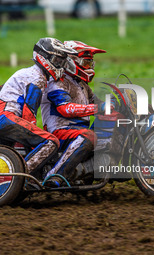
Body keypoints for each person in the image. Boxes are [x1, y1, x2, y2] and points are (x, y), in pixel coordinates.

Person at [0, 38, 77, 178]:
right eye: (57, 60)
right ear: (44, 57)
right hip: (6, 118)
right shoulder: (37, 78)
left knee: (36, 144)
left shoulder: (30, 73)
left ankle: (14, 179)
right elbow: (29, 115)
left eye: (61, 61)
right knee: (51, 142)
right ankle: (21, 177)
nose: (59, 64)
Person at [41, 40, 111, 187]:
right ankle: (55, 176)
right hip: (60, 131)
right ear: (72, 62)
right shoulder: (57, 82)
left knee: (113, 120)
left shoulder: (82, 85)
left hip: (78, 130)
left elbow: (96, 103)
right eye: (85, 63)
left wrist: (117, 104)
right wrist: (97, 109)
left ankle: (102, 167)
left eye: (90, 63)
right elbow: (65, 108)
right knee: (88, 136)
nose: (89, 67)